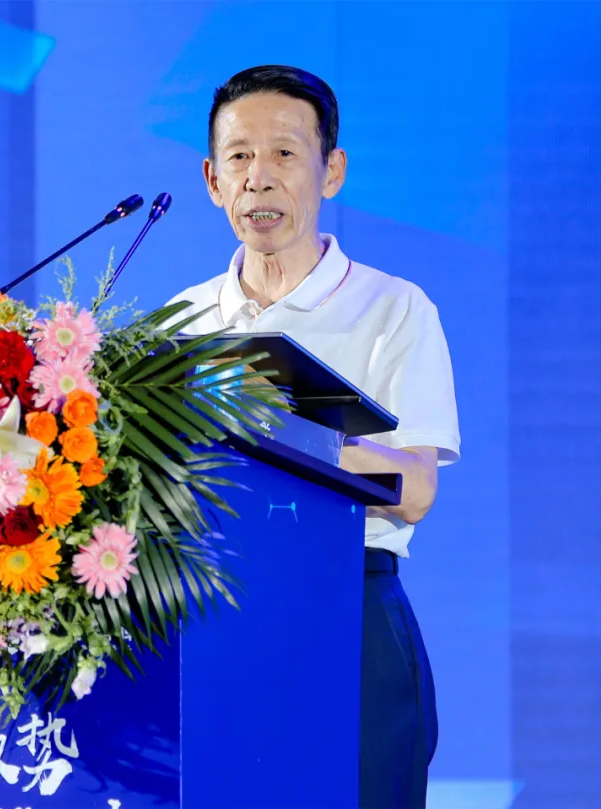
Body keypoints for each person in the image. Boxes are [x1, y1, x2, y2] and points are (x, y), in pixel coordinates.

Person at [165, 65, 460, 809]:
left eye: (285, 154)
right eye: (239, 156)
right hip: (209, 615)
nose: (259, 177)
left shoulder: (393, 308)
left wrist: (275, 430)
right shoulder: (182, 322)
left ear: (332, 171)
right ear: (212, 180)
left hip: (347, 608)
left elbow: (414, 490)